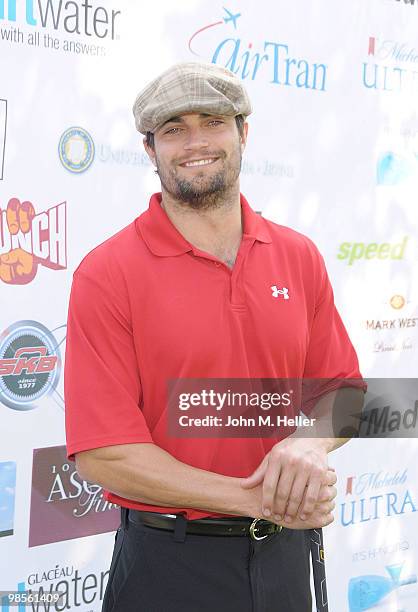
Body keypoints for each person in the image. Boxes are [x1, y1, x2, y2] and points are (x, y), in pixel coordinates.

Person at [64, 62, 364, 612]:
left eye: (213, 122)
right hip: (169, 566)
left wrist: (308, 443)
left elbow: (344, 389)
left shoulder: (297, 255)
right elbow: (104, 454)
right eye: (174, 129)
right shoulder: (108, 273)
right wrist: (255, 497)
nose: (196, 142)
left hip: (286, 559)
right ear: (150, 150)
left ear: (243, 133)